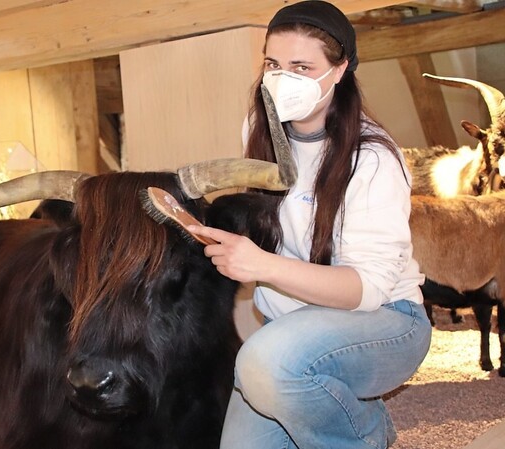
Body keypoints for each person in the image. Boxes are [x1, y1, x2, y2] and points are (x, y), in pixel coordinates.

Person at [185, 2, 432, 448]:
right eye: (273, 65)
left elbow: (367, 290)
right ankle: (336, 401)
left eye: (302, 66)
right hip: (295, 325)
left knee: (264, 363)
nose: (283, 79)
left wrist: (261, 266)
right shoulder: (258, 129)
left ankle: (364, 433)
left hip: (387, 321)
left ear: (339, 71)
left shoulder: (372, 159)